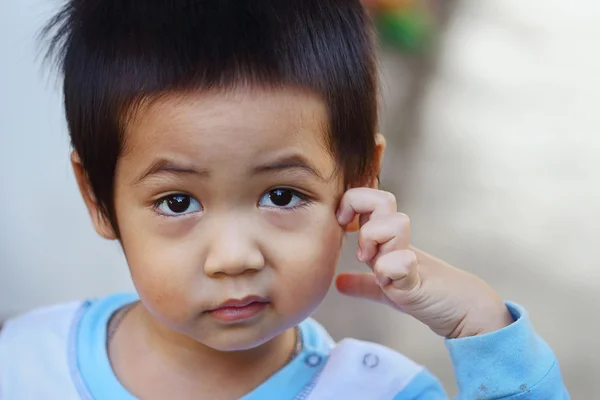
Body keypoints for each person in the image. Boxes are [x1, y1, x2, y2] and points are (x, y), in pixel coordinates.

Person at [0, 1, 569, 399]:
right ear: (97, 197)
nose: (233, 257)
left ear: (357, 181)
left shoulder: (382, 392)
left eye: (280, 194)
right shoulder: (25, 361)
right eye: (177, 202)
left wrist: (484, 331)